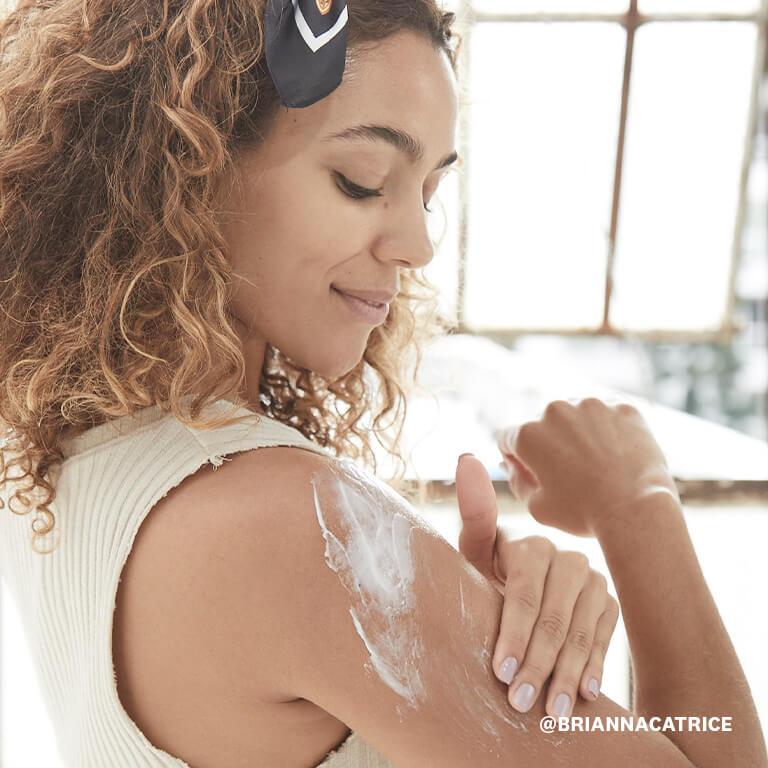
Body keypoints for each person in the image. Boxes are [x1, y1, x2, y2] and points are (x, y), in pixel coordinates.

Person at [0, 0, 764, 766]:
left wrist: (456, 612)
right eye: (362, 181)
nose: (419, 245)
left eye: (429, 191)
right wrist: (638, 504)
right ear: (184, 164)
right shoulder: (287, 523)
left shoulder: (54, 459)